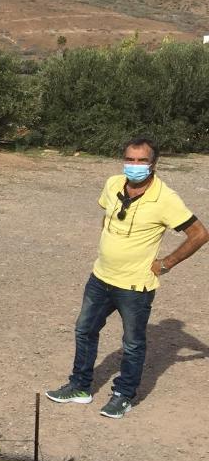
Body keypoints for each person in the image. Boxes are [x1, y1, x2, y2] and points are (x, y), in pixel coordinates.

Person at [46, 137, 207, 419]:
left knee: (132, 343)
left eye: (141, 161)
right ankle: (80, 386)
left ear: (153, 164)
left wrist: (166, 263)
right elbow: (107, 216)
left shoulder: (165, 199)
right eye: (130, 160)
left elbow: (199, 234)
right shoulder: (112, 184)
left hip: (135, 286)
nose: (134, 166)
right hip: (100, 277)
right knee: (84, 330)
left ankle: (124, 395)